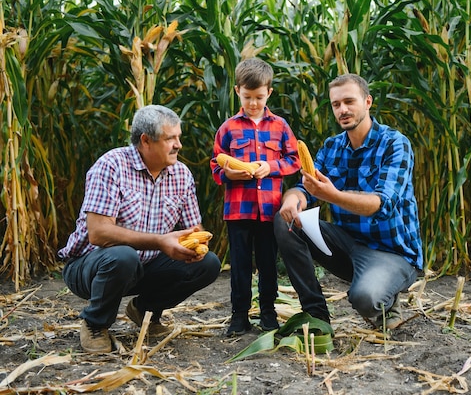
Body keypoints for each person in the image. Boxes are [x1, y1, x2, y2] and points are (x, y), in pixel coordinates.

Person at [59, 105, 222, 353]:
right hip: (92, 267)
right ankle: (95, 324)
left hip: (146, 267)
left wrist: (195, 247)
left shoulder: (181, 174)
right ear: (146, 141)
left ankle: (145, 310)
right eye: (170, 139)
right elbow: (99, 233)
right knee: (123, 255)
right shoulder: (112, 166)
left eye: (179, 137)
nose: (178, 145)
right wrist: (159, 241)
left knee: (207, 263)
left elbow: (193, 229)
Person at [274, 73, 423, 330]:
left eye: (349, 102)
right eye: (336, 104)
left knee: (365, 299)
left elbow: (382, 204)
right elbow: (303, 187)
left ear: (367, 102)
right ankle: (317, 315)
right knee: (283, 220)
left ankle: (388, 299)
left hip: (391, 252)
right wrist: (293, 200)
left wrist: (331, 195)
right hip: (348, 244)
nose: (342, 110)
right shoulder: (332, 147)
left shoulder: (395, 144)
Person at [211, 58, 300, 336]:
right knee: (239, 266)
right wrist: (229, 175)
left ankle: (268, 313)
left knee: (267, 263)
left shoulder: (281, 126)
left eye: (259, 97)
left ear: (269, 93)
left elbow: (294, 160)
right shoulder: (228, 128)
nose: (253, 103)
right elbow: (216, 165)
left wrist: (270, 167)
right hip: (238, 209)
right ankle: (239, 316)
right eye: (247, 96)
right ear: (237, 91)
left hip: (269, 208)